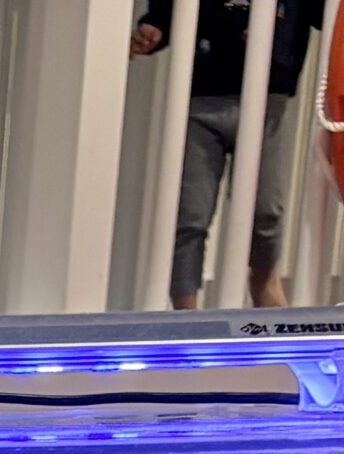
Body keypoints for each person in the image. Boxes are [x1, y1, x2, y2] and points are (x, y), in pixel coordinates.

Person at [133, 0, 328, 308]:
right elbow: (170, 9)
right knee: (190, 214)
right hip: (203, 88)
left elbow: (327, 14)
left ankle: (263, 277)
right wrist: (155, 24)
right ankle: (186, 310)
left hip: (269, 94)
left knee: (266, 210)